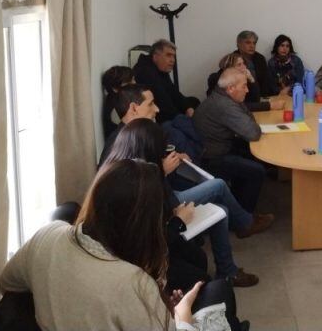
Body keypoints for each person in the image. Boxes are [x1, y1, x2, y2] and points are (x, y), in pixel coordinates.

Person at [0, 159, 224, 331]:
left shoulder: (47, 235)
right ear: (145, 222)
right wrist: (182, 318)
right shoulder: (132, 282)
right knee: (218, 292)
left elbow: (8, 281)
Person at [106, 119, 262, 291]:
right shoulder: (132, 179)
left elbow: (164, 194)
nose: (156, 108)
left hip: (168, 204)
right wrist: (163, 172)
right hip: (166, 218)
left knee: (222, 211)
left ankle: (227, 271)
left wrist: (171, 167)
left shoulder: (133, 155)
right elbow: (160, 209)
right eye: (150, 103)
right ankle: (245, 224)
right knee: (219, 185)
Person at [193, 69, 267, 213]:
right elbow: (253, 132)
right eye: (244, 86)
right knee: (257, 171)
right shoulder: (224, 105)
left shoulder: (224, 97)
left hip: (215, 147)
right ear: (231, 88)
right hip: (212, 157)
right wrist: (247, 116)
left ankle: (238, 201)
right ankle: (245, 220)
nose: (247, 90)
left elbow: (249, 120)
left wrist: (244, 109)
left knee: (251, 154)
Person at [134, 39, 201, 124]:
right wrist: (184, 121)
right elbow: (164, 105)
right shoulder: (146, 72)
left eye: (173, 56)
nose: (173, 60)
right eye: (168, 55)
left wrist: (187, 107)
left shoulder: (160, 68)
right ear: (155, 56)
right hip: (157, 115)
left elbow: (173, 91)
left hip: (164, 107)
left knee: (194, 101)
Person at [207, 52, 285, 112]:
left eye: (243, 63)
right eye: (239, 64)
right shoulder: (218, 80)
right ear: (229, 68)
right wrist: (269, 106)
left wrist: (251, 79)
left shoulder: (240, 78)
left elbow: (255, 99)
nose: (244, 67)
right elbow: (238, 106)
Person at [234, 30, 276, 97]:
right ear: (238, 44)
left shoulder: (260, 58)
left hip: (260, 96)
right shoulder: (233, 59)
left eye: (254, 43)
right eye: (248, 43)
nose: (252, 46)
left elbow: (266, 81)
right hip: (242, 98)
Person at [101, 65, 134, 138]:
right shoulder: (117, 106)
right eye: (129, 83)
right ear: (115, 88)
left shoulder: (115, 99)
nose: (134, 84)